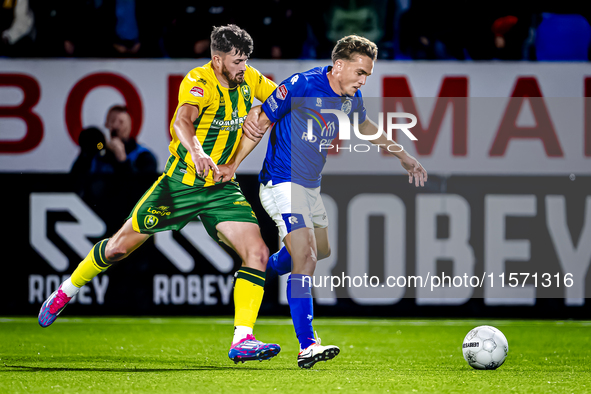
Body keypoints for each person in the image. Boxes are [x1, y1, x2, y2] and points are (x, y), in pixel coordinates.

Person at [38, 24, 282, 364]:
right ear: (217, 60)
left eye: (246, 60)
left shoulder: (250, 79)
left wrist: (288, 106)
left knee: (256, 252)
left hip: (220, 188)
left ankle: (243, 339)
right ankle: (66, 291)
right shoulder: (199, 81)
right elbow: (182, 121)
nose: (243, 67)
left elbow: (282, 99)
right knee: (118, 249)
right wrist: (197, 151)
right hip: (179, 185)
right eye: (237, 61)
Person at [214, 35, 428, 368]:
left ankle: (258, 270)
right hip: (282, 183)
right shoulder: (302, 84)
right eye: (360, 72)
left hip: (310, 187)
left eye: (367, 75)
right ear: (339, 65)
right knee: (308, 256)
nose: (363, 80)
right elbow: (261, 123)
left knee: (321, 251)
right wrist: (232, 166)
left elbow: (366, 125)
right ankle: (307, 344)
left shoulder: (349, 98)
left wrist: (403, 155)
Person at [99, 105, 158, 174]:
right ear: (106, 125)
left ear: (129, 127)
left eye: (121, 122)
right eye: (112, 121)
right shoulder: (99, 155)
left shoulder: (144, 157)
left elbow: (143, 182)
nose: (115, 126)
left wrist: (122, 160)